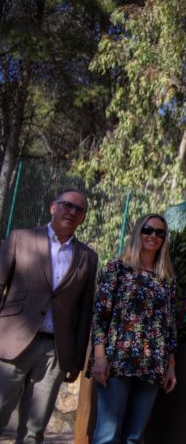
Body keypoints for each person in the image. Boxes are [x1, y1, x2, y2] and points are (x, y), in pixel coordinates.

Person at [0, 188, 98, 443]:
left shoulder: (88, 257)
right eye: (67, 205)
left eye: (79, 209)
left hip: (55, 353)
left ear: (83, 218)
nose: (72, 212)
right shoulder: (20, 238)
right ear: (53, 207)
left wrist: (77, 360)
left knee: (34, 432)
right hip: (11, 346)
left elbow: (84, 312)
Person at [90, 214, 177, 444]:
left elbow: (169, 325)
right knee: (108, 434)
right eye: (148, 230)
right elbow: (100, 316)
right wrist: (100, 357)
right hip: (118, 362)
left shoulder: (166, 279)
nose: (154, 236)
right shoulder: (117, 269)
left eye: (160, 233)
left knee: (135, 437)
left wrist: (170, 365)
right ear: (138, 232)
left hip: (152, 366)